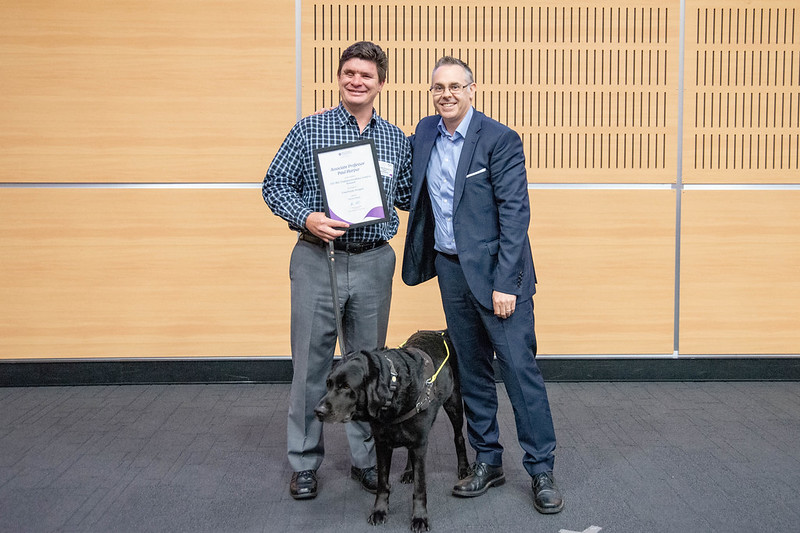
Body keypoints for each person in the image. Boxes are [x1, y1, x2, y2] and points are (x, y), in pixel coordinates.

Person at [401, 56, 564, 514]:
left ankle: (541, 469)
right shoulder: (425, 133)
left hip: (498, 277)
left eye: (455, 86)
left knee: (517, 371)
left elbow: (516, 215)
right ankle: (487, 460)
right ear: (431, 92)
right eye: (438, 87)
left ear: (472, 90)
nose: (446, 93)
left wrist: (507, 282)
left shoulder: (499, 138)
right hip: (451, 270)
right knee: (471, 372)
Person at [262, 41, 412, 500]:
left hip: (373, 263)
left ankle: (366, 462)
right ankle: (305, 462)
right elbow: (274, 185)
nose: (356, 81)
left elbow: (408, 195)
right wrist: (307, 217)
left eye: (366, 75)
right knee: (311, 367)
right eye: (349, 72)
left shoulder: (395, 139)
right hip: (316, 259)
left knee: (367, 369)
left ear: (381, 84)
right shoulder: (310, 130)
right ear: (339, 76)